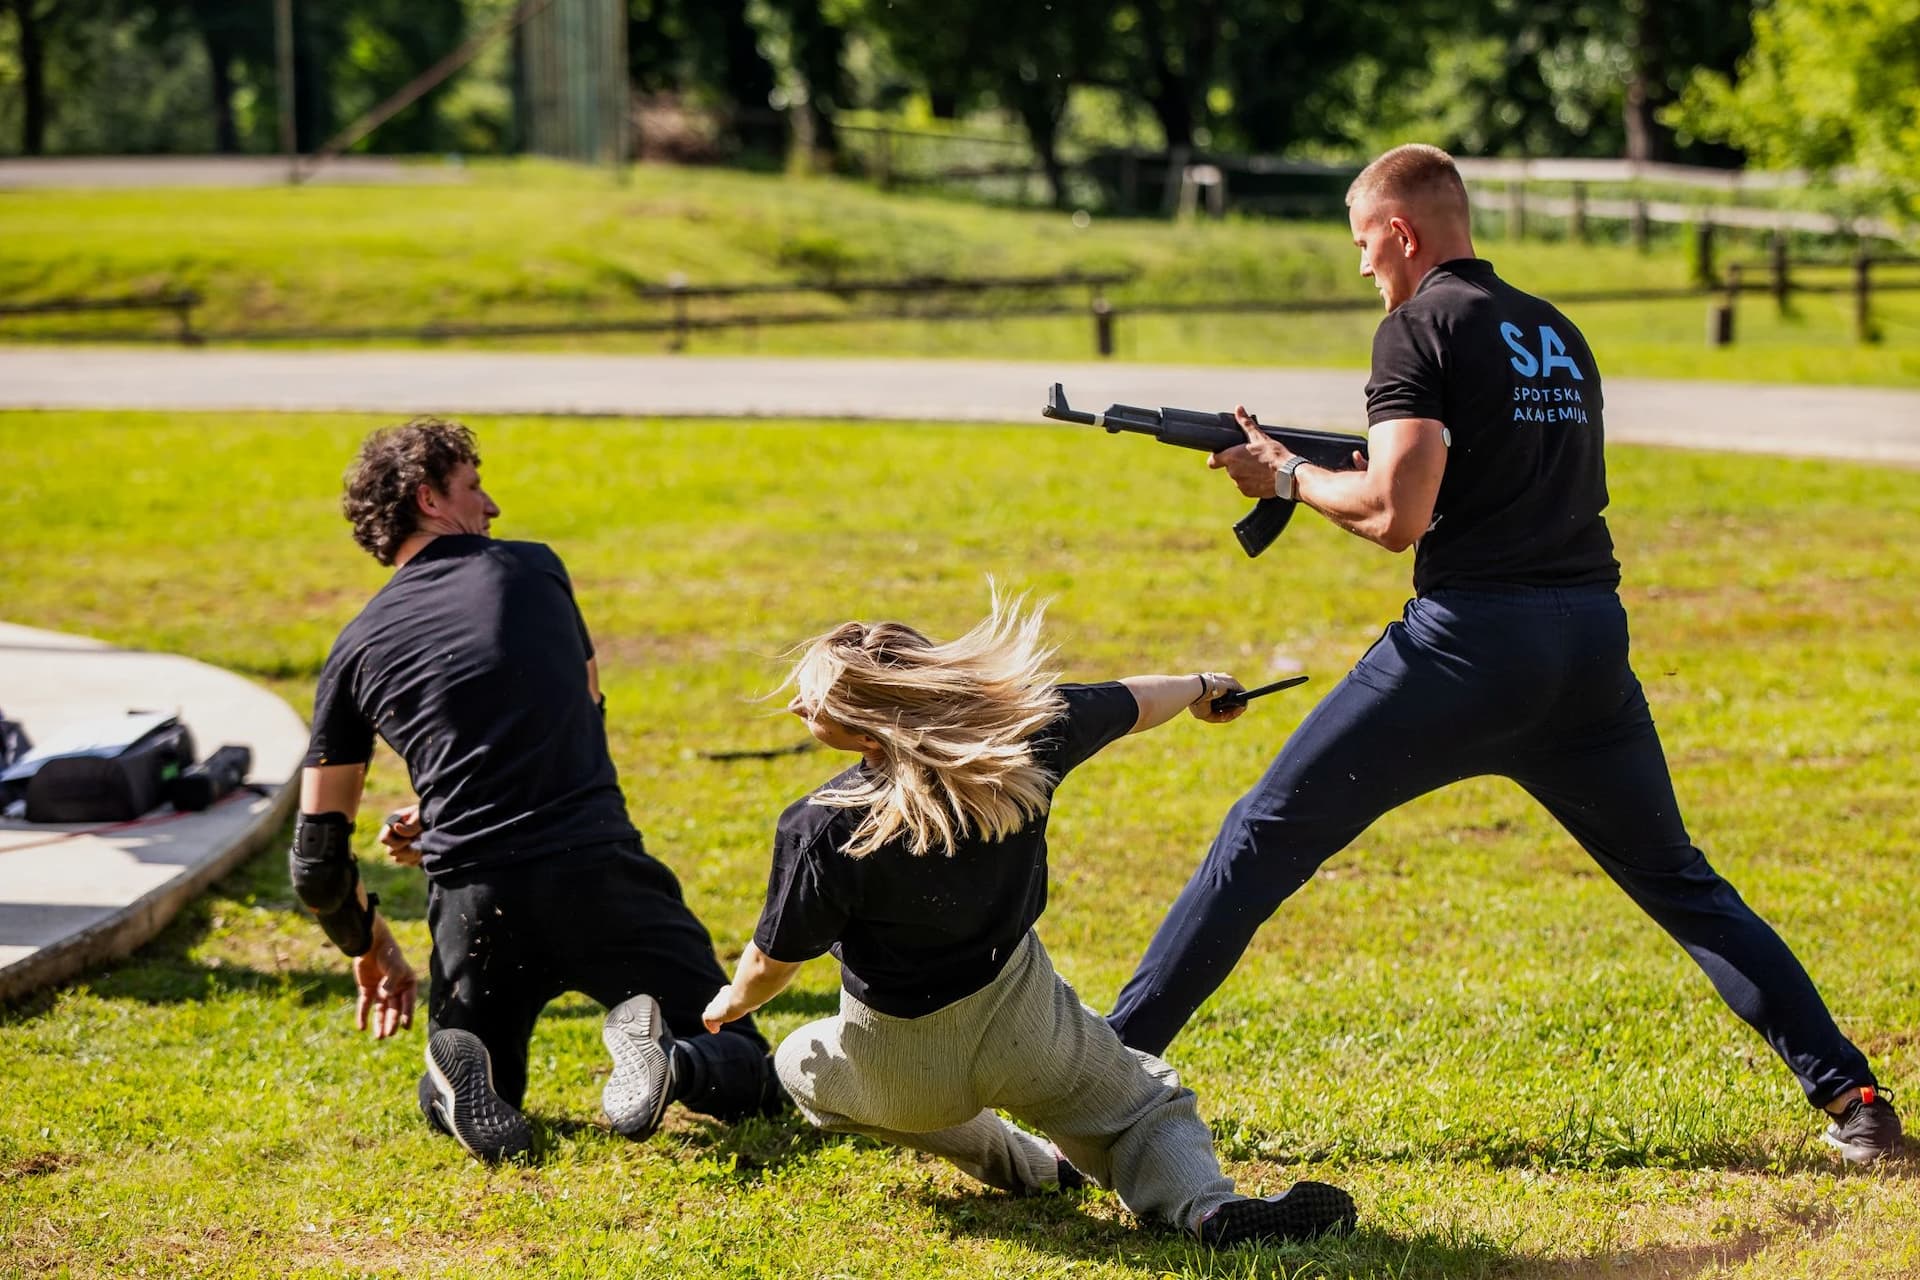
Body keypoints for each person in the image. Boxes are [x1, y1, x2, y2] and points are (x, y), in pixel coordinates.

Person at [1104, 143, 1901, 1166]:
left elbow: (1399, 513)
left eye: (1364, 246)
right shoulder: (1555, 333)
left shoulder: (1415, 326)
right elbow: (1478, 471)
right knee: (1681, 880)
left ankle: (1108, 1066)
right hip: (1586, 643)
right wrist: (1315, 461)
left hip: (1468, 646)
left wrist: (1288, 475)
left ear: (1400, 232)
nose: (1363, 270)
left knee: (1262, 836)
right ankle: (1856, 1098)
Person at [700, 598, 1359, 1246]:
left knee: (798, 1063)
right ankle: (1208, 1211)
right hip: (1028, 1024)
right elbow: (1135, 700)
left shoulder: (822, 823)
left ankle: (1032, 1168)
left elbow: (771, 963)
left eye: (812, 704)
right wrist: (1204, 686)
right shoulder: (1032, 736)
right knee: (1144, 1112)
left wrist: (734, 998)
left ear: (871, 735)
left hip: (894, 1061)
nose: (796, 708)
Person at [290, 417, 780, 1163]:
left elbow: (317, 862)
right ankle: (673, 1062)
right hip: (597, 872)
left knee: (476, 1066)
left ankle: (455, 1087)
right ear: (429, 498)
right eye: (474, 487)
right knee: (744, 1064)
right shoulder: (531, 568)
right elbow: (581, 712)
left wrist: (373, 946)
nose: (491, 508)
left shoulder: (354, 649)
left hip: (475, 904)